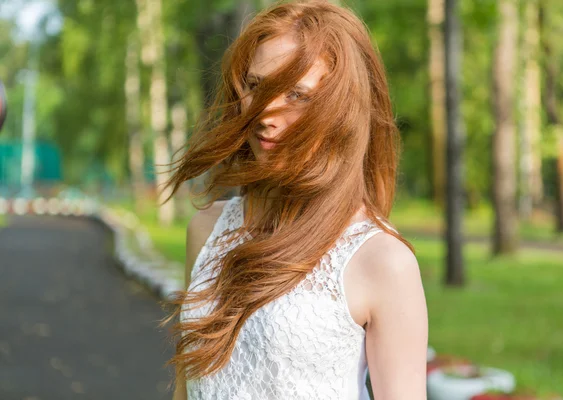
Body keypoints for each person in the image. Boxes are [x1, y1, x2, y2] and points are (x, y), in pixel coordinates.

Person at [163, 1, 428, 399]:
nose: (266, 111)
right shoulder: (206, 231)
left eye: (297, 95)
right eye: (255, 86)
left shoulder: (382, 261)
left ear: (341, 110)